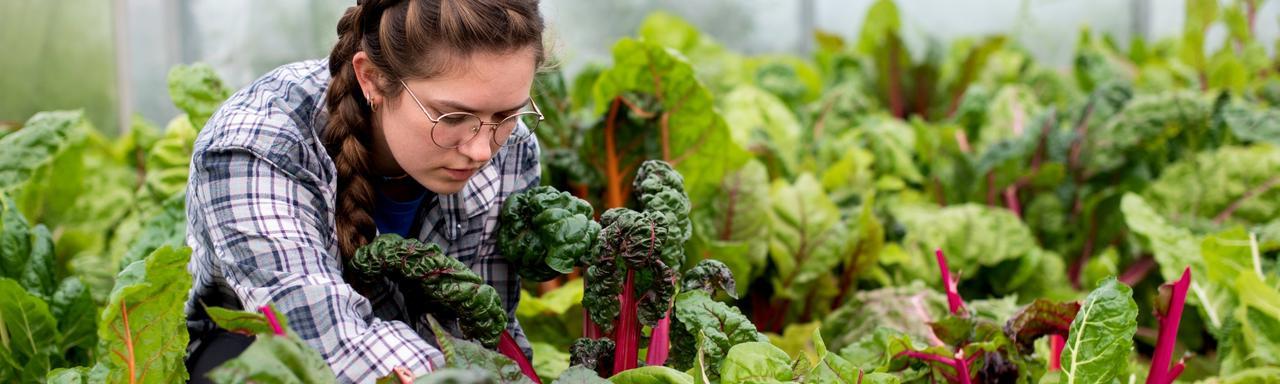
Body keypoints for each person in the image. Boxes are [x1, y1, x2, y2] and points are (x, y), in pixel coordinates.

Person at [182, 0, 546, 381]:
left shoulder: (513, 148)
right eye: (452, 117)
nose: (481, 150)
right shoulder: (256, 144)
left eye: (506, 116)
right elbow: (321, 338)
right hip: (268, 357)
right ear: (371, 78)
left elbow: (481, 335)